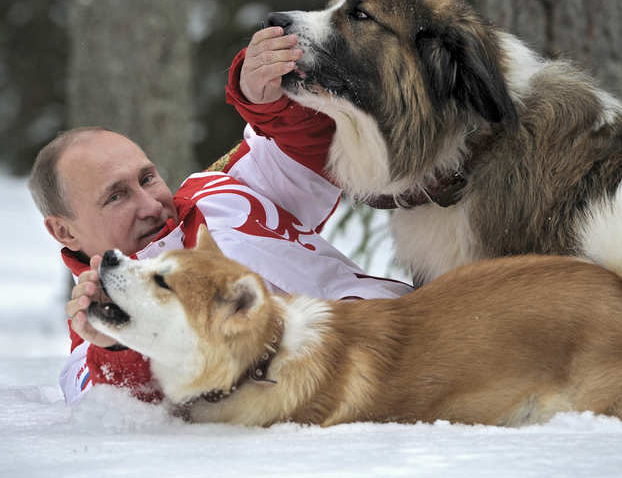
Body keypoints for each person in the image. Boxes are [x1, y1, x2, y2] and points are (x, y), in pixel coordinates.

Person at [29, 27, 413, 404]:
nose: (149, 205)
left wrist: (262, 94)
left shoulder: (219, 190)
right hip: (342, 409)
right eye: (116, 197)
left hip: (416, 331)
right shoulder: (94, 339)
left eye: (147, 178)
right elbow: (115, 409)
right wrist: (120, 338)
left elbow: (314, 147)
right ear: (64, 231)